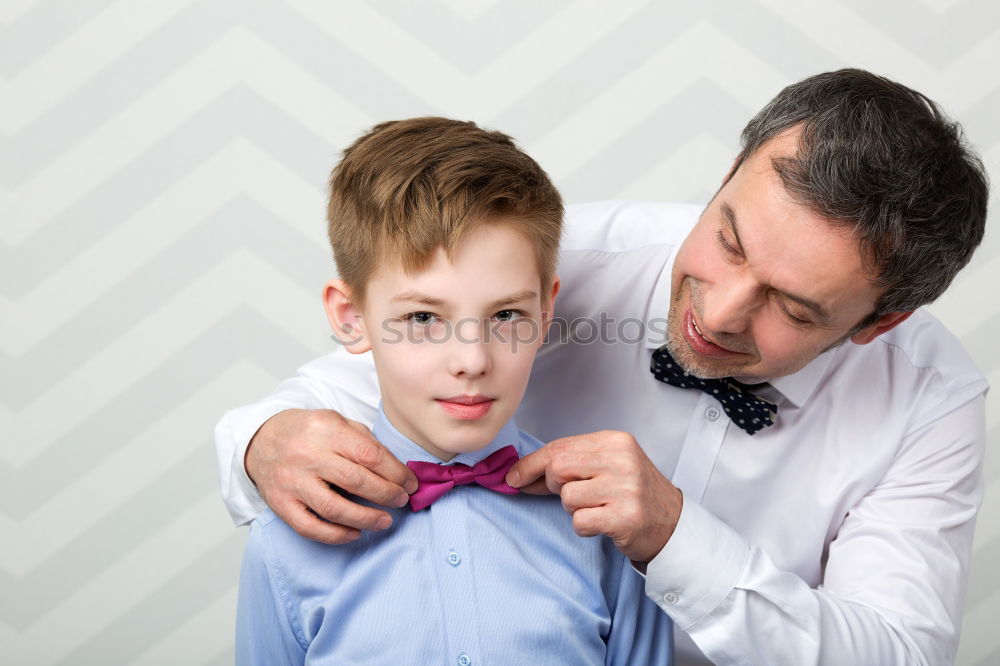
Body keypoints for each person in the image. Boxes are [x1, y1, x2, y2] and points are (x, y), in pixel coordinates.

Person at [216, 69, 989, 664]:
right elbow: (354, 381)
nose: (717, 314)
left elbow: (899, 654)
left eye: (793, 307)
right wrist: (262, 441)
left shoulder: (929, 397)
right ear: (728, 174)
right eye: (729, 240)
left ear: (878, 322)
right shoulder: (554, 266)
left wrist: (678, 537)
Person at [233, 117, 672, 665]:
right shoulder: (287, 542)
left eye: (506, 314)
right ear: (351, 317)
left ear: (545, 311)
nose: (472, 361)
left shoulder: (606, 531)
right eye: (422, 317)